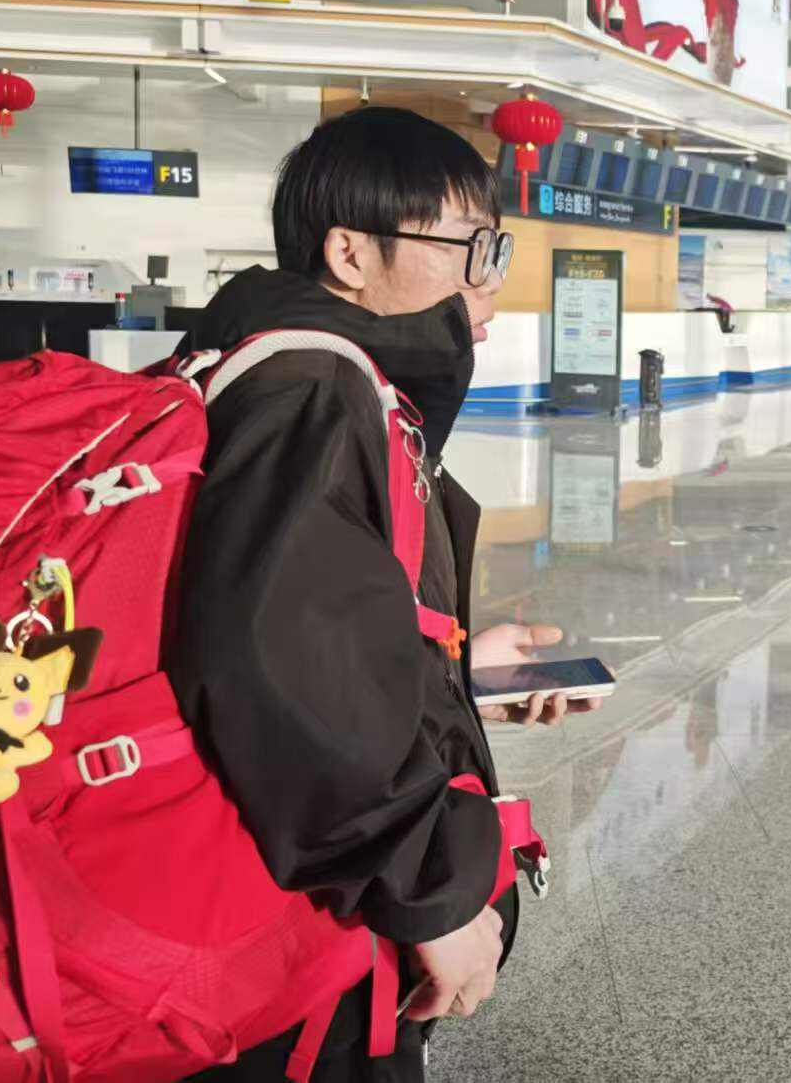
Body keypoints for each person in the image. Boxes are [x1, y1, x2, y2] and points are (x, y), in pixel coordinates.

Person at [168, 106, 594, 1082]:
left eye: (496, 248)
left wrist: (457, 669)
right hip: (302, 926)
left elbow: (311, 615)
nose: (489, 280)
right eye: (469, 248)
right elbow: (277, 666)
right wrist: (429, 892)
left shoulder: (325, 374)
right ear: (350, 253)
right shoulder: (313, 387)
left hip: (301, 900)